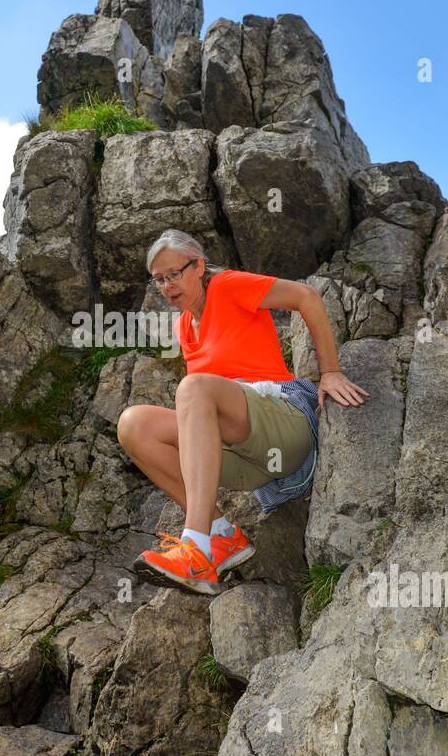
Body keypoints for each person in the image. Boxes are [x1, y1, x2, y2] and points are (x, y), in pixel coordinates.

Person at [117, 228, 369, 595]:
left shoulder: (227, 286)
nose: (168, 285)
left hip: (284, 423)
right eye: (159, 279)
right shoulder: (185, 326)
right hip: (252, 462)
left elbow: (306, 296)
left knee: (193, 387)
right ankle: (221, 537)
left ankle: (195, 546)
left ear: (199, 266)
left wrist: (330, 371)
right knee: (132, 424)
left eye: (176, 273)